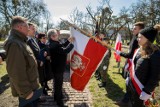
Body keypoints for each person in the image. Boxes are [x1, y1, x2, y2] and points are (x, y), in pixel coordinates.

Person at [4, 16, 42, 107]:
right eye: (27, 26)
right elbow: (16, 71)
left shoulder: (20, 41)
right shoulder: (15, 44)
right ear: (19, 27)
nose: (28, 29)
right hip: (27, 93)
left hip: (31, 87)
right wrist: (26, 92)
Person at [128, 24, 160, 107]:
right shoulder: (139, 50)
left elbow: (155, 76)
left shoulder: (155, 54)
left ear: (148, 39)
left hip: (142, 90)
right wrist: (129, 77)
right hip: (133, 87)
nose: (138, 39)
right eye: (138, 37)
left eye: (140, 37)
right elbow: (134, 66)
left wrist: (147, 91)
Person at [115, 22, 145, 106]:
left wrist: (120, 53)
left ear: (141, 30)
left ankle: (126, 101)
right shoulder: (134, 37)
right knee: (128, 83)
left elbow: (131, 55)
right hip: (130, 63)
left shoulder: (137, 40)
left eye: (135, 28)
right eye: (133, 28)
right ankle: (127, 100)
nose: (132, 29)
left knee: (131, 84)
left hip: (134, 65)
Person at [47, 29, 74, 107]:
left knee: (57, 83)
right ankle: (59, 102)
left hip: (56, 67)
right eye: (56, 35)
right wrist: (72, 44)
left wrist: (68, 41)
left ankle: (56, 97)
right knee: (58, 84)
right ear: (52, 36)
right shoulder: (54, 44)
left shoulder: (53, 42)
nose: (58, 36)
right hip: (58, 67)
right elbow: (64, 51)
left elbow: (62, 46)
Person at [27, 22, 48, 96]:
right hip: (34, 67)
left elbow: (37, 51)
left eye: (35, 29)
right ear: (27, 29)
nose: (35, 30)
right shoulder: (26, 41)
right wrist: (39, 61)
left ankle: (38, 96)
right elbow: (28, 56)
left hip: (39, 66)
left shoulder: (33, 40)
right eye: (33, 29)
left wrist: (43, 54)